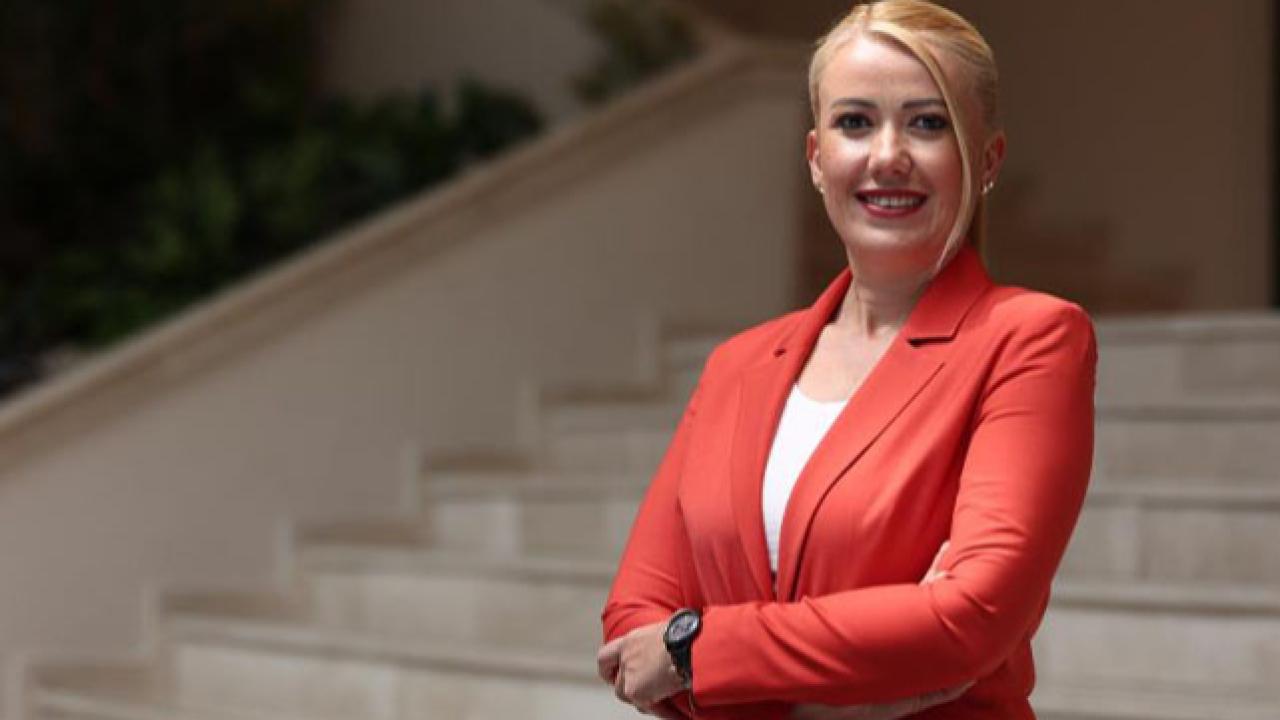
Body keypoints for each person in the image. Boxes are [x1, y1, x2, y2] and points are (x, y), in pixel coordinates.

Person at [597, 1, 1096, 719]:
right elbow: (630, 629)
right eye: (855, 122)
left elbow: (970, 620)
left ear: (986, 160)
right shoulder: (737, 364)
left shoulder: (1029, 340)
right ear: (815, 157)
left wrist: (694, 652)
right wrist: (850, 687)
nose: (887, 155)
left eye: (928, 123)